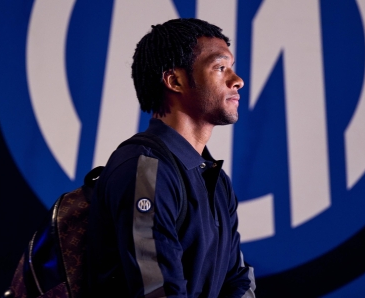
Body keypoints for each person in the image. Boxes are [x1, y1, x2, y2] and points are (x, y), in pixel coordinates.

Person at [87, 18, 256, 298]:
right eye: (220, 67)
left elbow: (238, 279)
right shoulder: (144, 169)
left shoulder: (215, 180)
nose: (237, 80)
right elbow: (158, 292)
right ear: (175, 81)